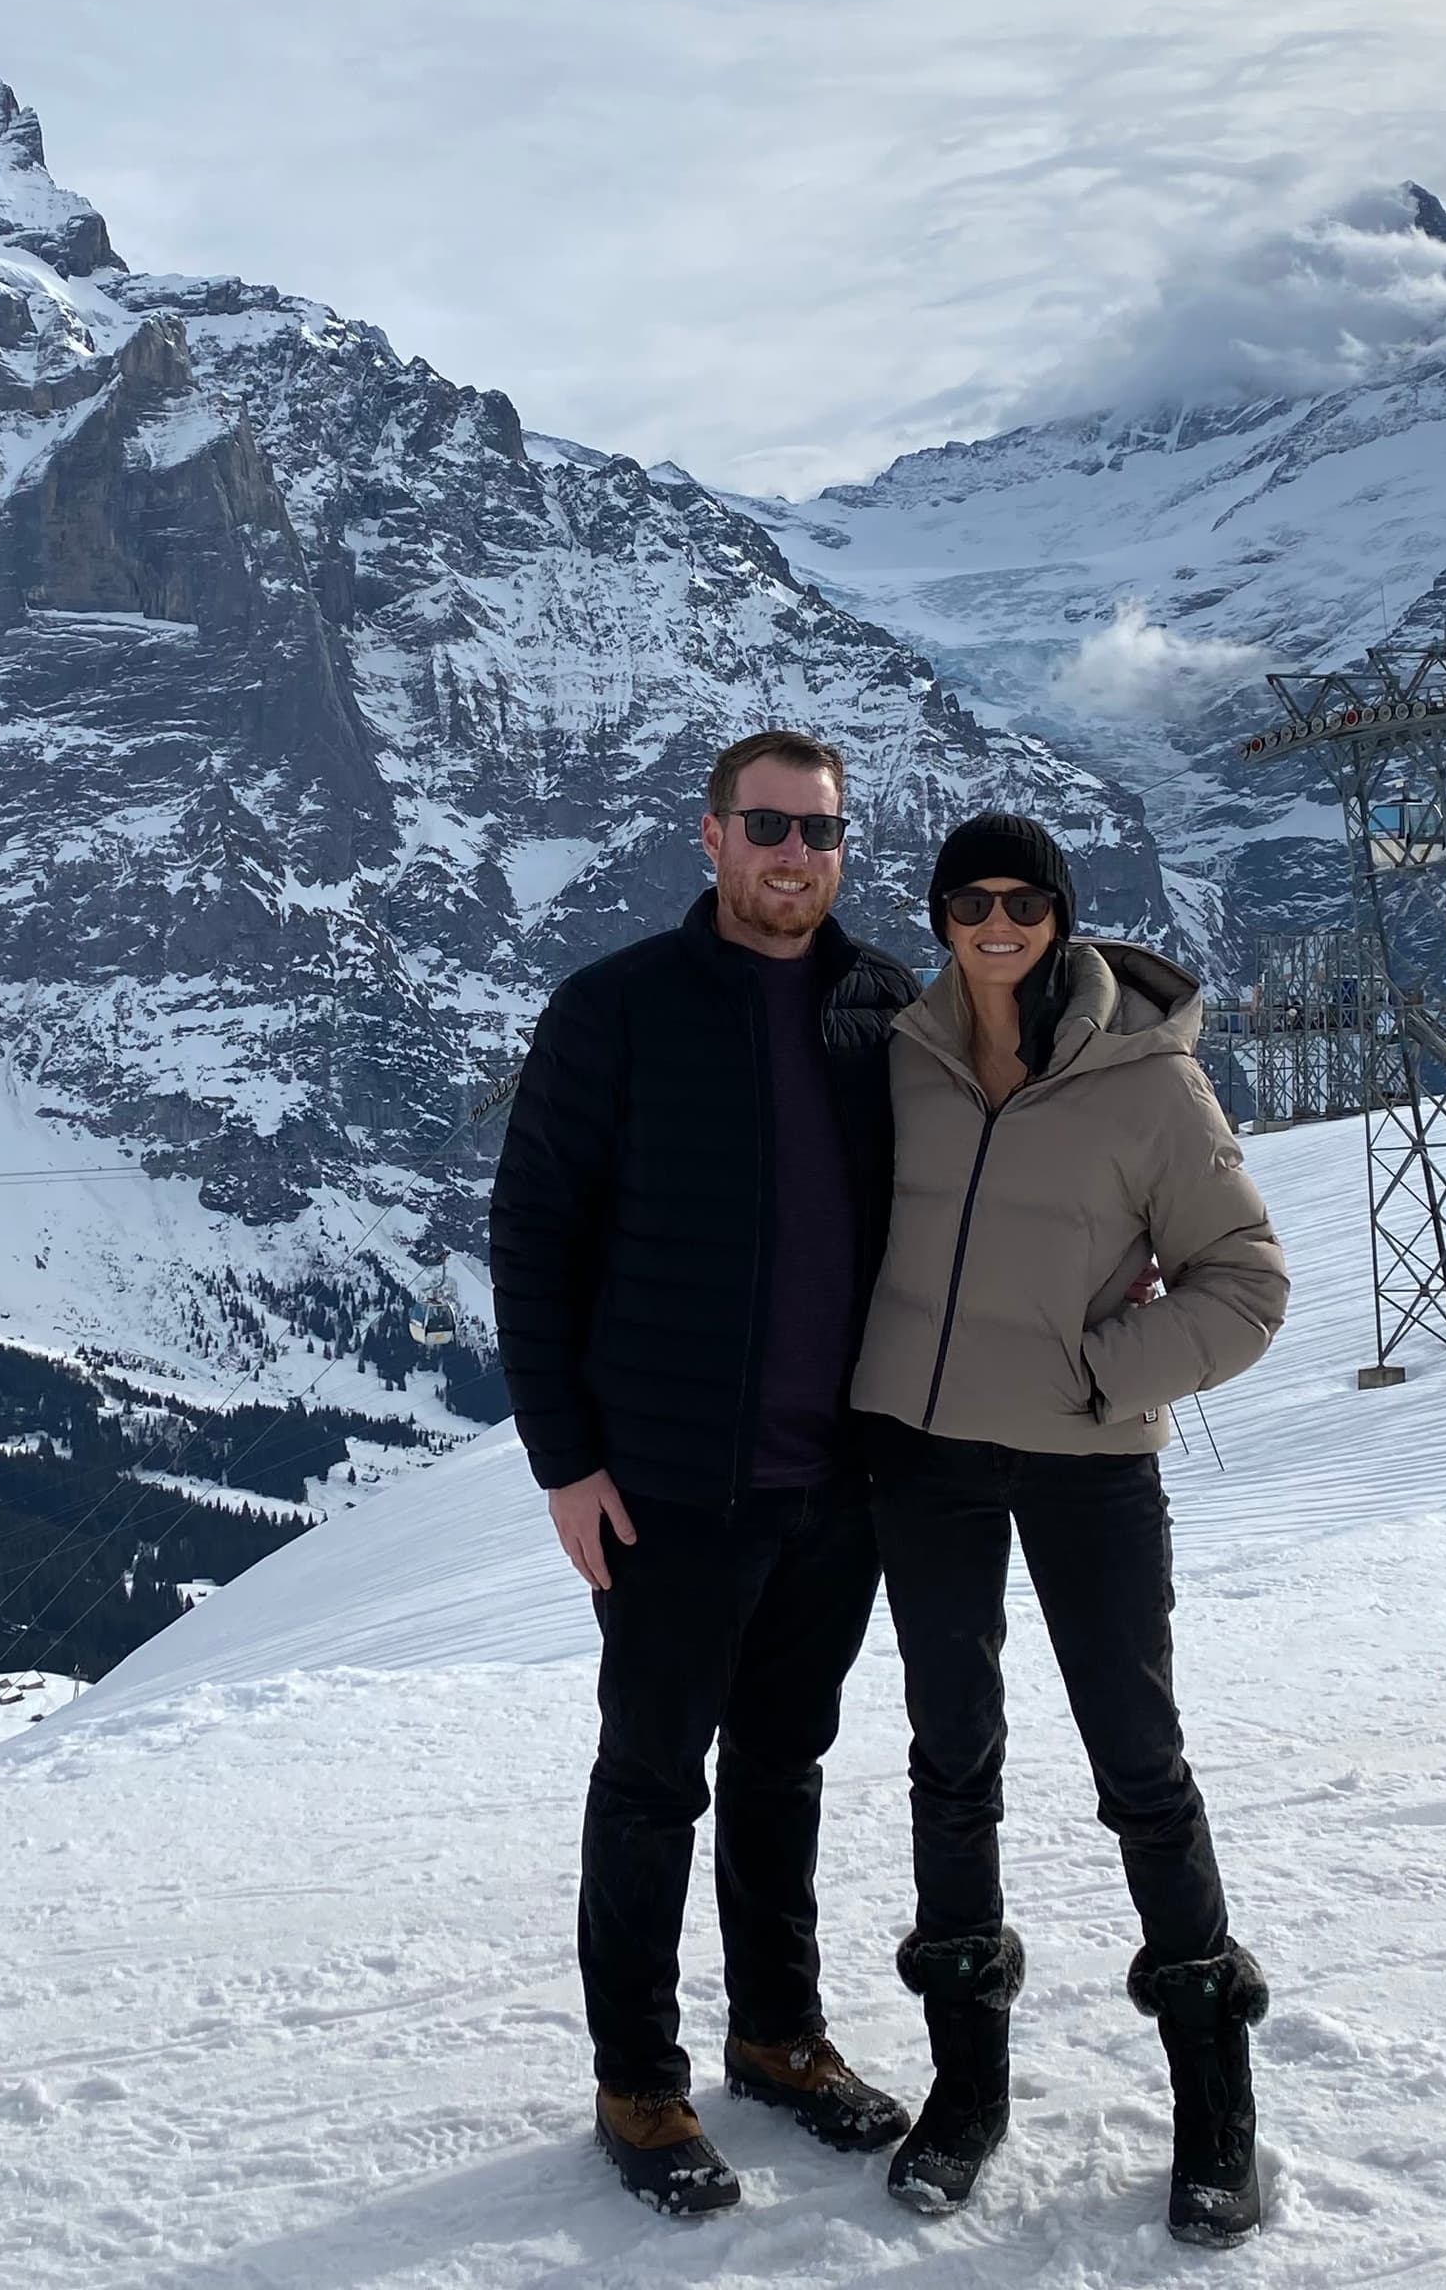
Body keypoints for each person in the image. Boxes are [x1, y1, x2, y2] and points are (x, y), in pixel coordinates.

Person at [489, 728, 925, 2217]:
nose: (796, 854)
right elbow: (534, 1238)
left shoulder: (884, 1008)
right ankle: (639, 2082)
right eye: (769, 826)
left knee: (784, 1770)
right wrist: (567, 1464)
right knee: (652, 1781)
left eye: (822, 832)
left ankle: (779, 2037)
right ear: (711, 836)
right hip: (669, 1486)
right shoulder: (614, 1010)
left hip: (837, 1484)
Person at [849, 812, 1289, 2243]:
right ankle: (966, 2091)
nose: (996, 923)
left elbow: (1246, 1282)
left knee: (1138, 1760)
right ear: (938, 913)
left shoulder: (1150, 1084)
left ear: (1060, 914)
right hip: (923, 1457)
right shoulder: (902, 1059)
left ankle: (1216, 2108)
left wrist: (1103, 1375)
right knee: (949, 1756)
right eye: (969, 899)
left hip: (1087, 1463)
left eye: (1023, 901)